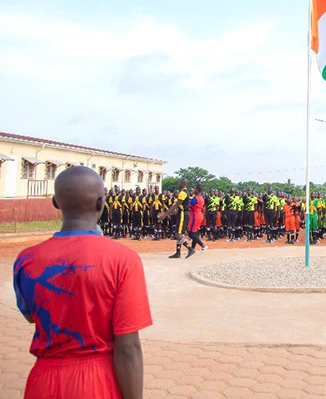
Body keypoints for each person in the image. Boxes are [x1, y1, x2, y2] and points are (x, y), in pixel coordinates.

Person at [13, 166, 151, 399]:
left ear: (56, 203)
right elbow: (128, 349)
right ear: (101, 203)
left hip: (43, 381)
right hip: (97, 381)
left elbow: (30, 316)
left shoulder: (26, 259)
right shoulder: (123, 259)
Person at [164, 180, 193, 258]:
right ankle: (178, 252)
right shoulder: (182, 192)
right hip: (181, 213)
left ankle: (190, 248)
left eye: (179, 182)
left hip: (183, 214)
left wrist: (166, 214)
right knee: (178, 233)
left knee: (178, 234)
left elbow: (176, 205)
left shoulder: (183, 193)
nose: (178, 184)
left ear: (183, 184)